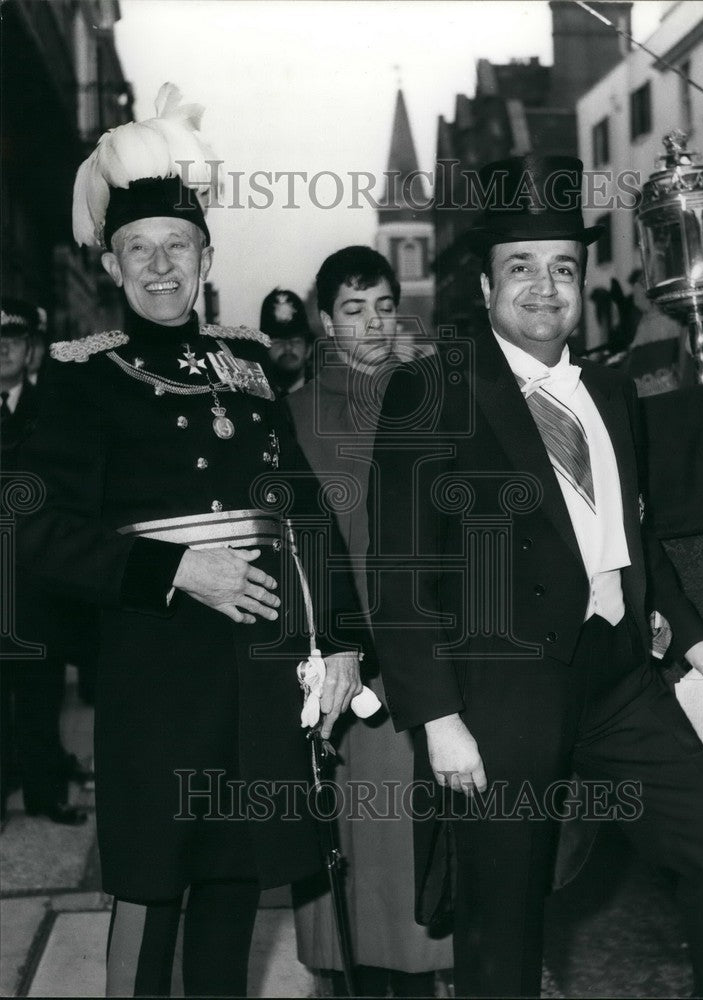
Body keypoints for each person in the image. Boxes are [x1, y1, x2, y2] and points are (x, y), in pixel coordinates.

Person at [370, 154, 703, 998]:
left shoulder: (611, 392)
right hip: (500, 691)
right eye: (521, 268)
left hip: (618, 680)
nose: (545, 288)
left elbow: (636, 534)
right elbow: (401, 573)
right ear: (483, 287)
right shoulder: (432, 390)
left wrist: (694, 643)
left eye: (563, 269)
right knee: (503, 917)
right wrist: (437, 716)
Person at [16, 84, 362, 998]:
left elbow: (307, 510)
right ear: (113, 267)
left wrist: (347, 641)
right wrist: (176, 570)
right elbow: (34, 530)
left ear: (207, 256)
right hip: (153, 677)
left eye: (177, 246)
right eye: (140, 250)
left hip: (256, 675)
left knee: (235, 887)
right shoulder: (79, 381)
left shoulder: (248, 372)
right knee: (150, 889)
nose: (160, 266)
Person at [288, 247, 452, 997]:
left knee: (423, 847)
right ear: (326, 322)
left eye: (385, 307)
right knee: (351, 853)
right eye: (354, 310)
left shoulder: (431, 397)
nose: (374, 325)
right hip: (344, 660)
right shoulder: (293, 413)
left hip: (427, 651)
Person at [0, 298, 89, 826]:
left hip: (35, 582)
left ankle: (44, 792)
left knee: (39, 691)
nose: (3, 350)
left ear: (31, 348)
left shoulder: (52, 411)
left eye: (13, 340)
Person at [260, 287, 314, 395]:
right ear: (264, 349)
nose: (288, 347)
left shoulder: (328, 399)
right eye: (278, 341)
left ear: (308, 349)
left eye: (295, 340)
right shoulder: (253, 401)